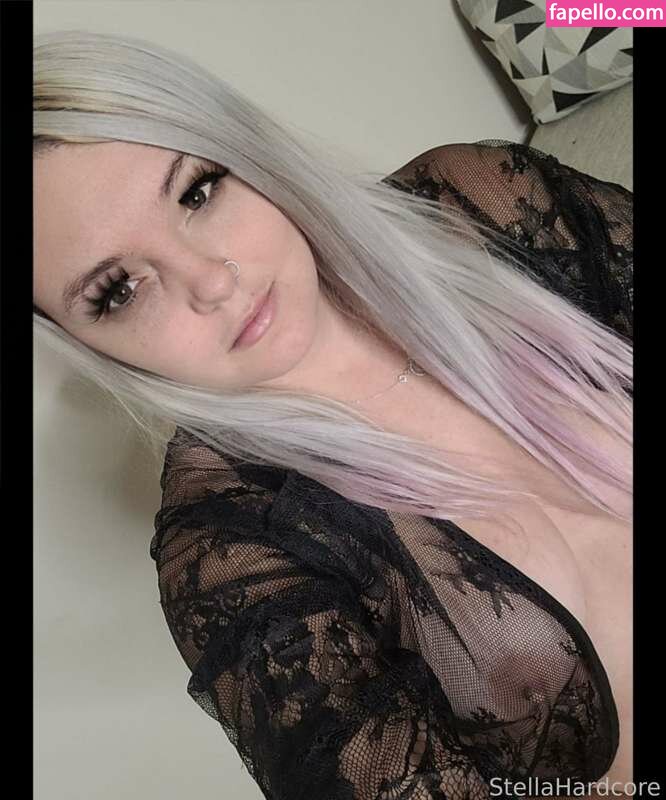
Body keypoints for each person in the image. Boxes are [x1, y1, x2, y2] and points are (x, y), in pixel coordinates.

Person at [34, 30, 632, 800]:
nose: (212, 282)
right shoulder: (234, 548)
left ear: (242, 150)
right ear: (81, 340)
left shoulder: (478, 203)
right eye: (118, 290)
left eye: (198, 192)